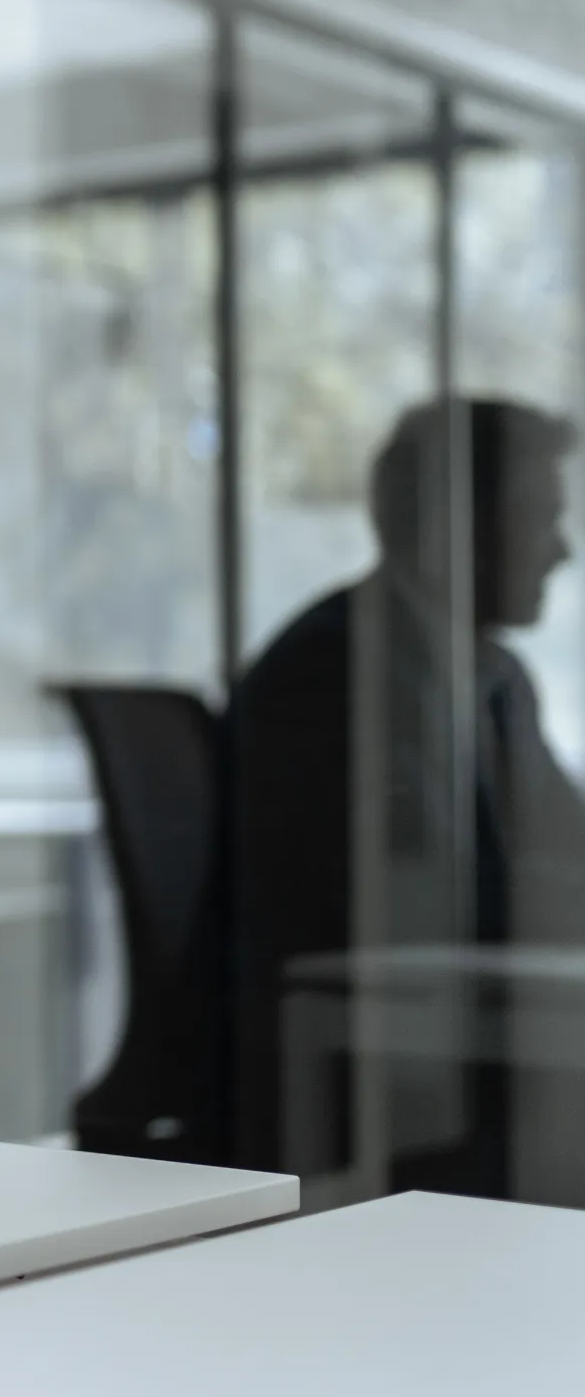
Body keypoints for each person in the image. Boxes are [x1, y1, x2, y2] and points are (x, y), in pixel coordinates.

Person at [230, 396, 585, 1193]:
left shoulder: (494, 676)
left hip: (466, 1068)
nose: (561, 552)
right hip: (385, 1096)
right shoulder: (339, 671)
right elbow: (424, 908)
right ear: (451, 523)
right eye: (540, 518)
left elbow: (567, 852)